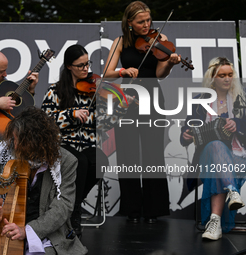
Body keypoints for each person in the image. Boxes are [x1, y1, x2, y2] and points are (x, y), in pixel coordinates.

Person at [41, 44, 134, 236]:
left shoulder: (94, 91)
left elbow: (104, 125)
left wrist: (121, 108)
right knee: (79, 162)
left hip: (87, 144)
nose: (86, 69)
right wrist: (71, 114)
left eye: (88, 64)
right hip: (63, 144)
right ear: (69, 66)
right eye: (81, 65)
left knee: (101, 161)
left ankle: (71, 204)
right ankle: (73, 212)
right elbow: (45, 121)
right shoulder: (55, 91)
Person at [103, 1, 181, 223]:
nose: (146, 25)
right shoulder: (119, 42)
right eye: (141, 22)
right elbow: (107, 73)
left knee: (152, 153)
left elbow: (159, 74)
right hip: (126, 100)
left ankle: (153, 209)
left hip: (152, 99)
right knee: (127, 153)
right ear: (129, 23)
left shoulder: (161, 41)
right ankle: (132, 210)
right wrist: (122, 70)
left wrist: (171, 63)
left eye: (148, 20)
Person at [0, 106, 88, 254]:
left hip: (46, 231)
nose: (15, 145)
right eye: (14, 139)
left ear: (36, 143)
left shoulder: (66, 162)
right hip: (6, 226)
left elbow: (63, 207)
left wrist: (27, 230)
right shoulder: (4, 154)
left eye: (20, 141)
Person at [180, 57, 246, 240]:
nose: (227, 79)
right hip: (206, 157)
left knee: (218, 168)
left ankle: (214, 222)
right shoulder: (199, 101)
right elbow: (187, 130)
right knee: (216, 146)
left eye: (230, 75)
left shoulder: (242, 100)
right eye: (222, 75)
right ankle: (232, 191)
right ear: (212, 78)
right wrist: (185, 135)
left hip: (239, 155)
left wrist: (238, 124)